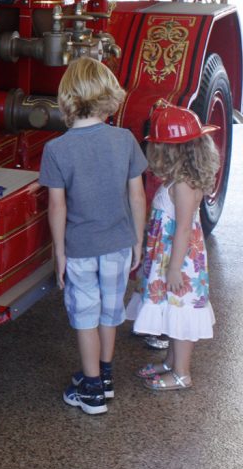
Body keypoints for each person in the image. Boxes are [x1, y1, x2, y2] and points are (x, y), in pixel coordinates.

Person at [39, 57, 148, 415]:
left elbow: (58, 207)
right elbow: (137, 195)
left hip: (81, 248)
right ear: (107, 94)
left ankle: (91, 391)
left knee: (85, 315)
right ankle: (104, 376)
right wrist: (138, 239)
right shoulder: (125, 140)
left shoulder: (56, 149)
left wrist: (60, 252)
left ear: (67, 97)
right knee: (109, 312)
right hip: (118, 244)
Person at [126, 101, 220, 390]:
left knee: (181, 314)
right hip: (171, 257)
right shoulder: (181, 179)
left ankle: (182, 373)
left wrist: (175, 269)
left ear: (170, 150)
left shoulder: (183, 186)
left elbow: (182, 228)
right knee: (172, 310)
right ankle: (170, 362)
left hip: (179, 261)